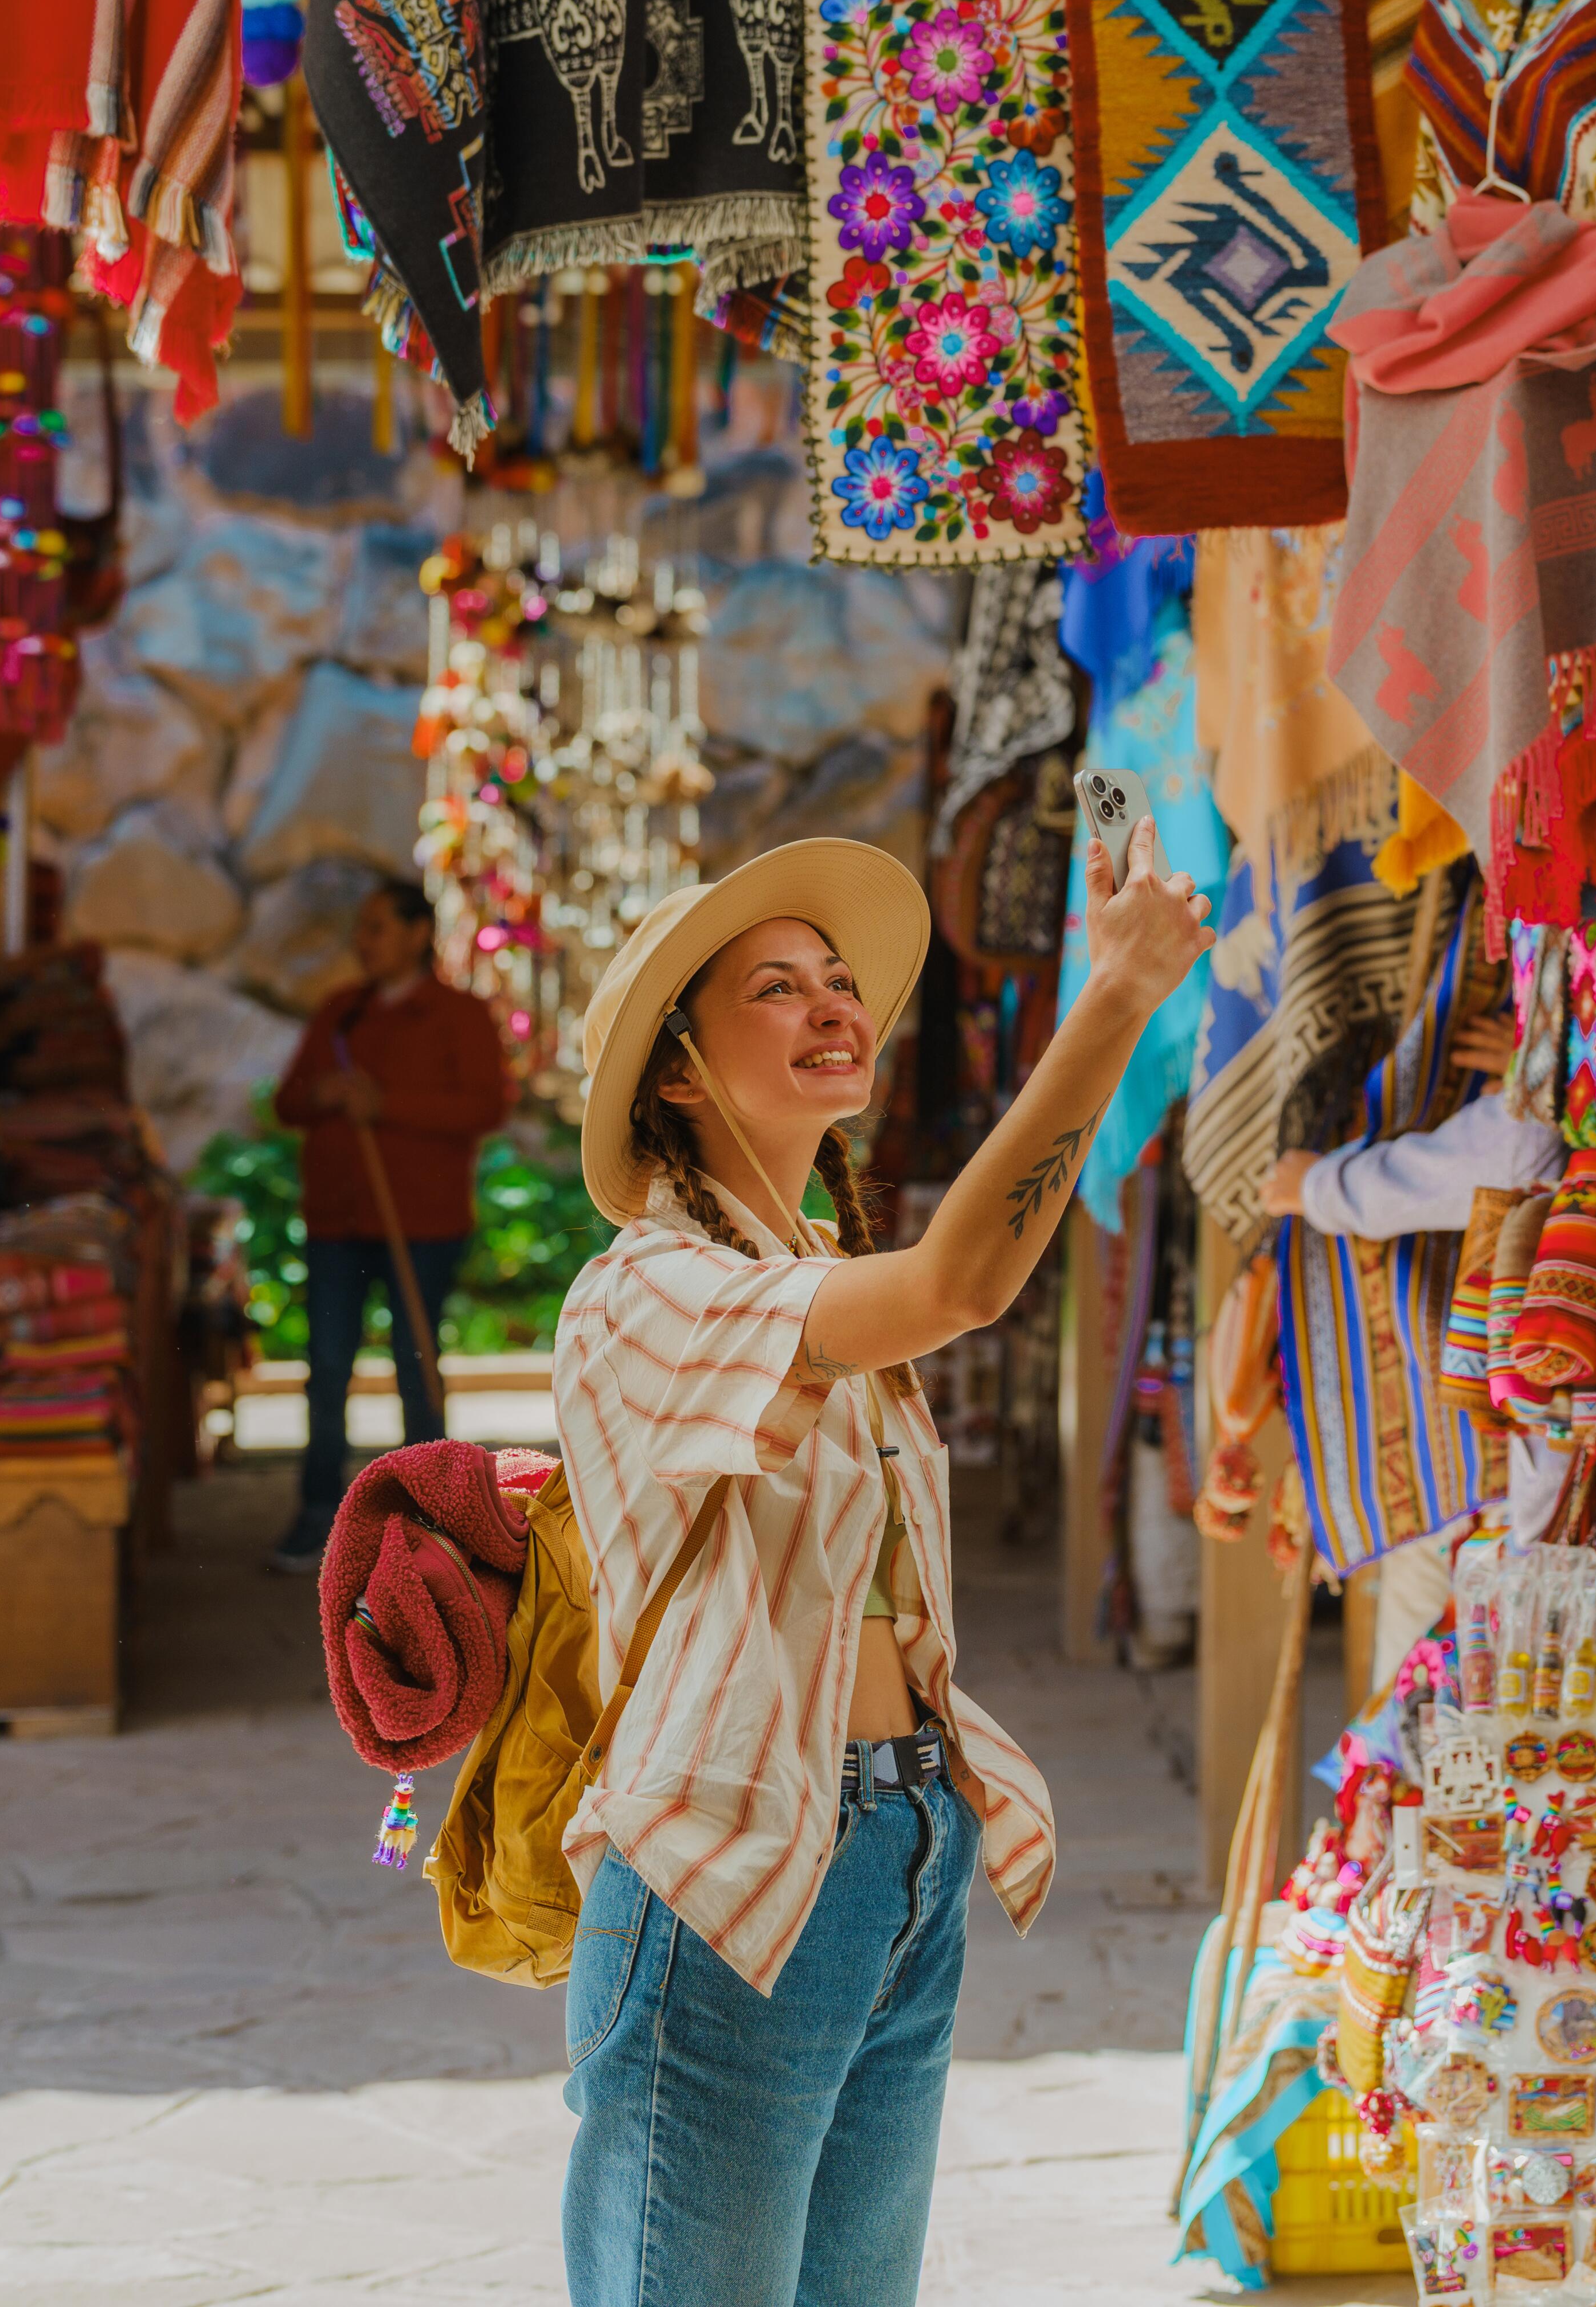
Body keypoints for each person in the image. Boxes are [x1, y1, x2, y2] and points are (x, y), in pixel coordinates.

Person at [553, 819, 1210, 2307]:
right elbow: (963, 1282)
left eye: (839, 978)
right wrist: (1107, 1001)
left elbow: (937, 1289)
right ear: (675, 1067)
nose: (834, 1003)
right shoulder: (643, 1288)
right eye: (775, 987)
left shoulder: (809, 1280)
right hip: (725, 1859)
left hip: (898, 1841)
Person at [265, 876, 513, 1574]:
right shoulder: (341, 1013)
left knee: (414, 1363)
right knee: (329, 1366)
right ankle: (318, 1512)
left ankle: (433, 1517)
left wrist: (386, 1103)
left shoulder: (458, 1015)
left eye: (377, 928)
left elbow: (483, 1110)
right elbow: (288, 1102)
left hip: (422, 1222)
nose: (363, 941)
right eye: (362, 928)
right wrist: (325, 1095)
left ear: (416, 934)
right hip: (338, 1221)